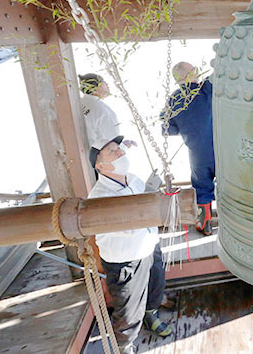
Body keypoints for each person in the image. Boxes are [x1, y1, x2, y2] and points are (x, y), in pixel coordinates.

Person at [88, 135, 173, 354]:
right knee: (127, 314)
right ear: (100, 165)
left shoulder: (133, 179)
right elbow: (127, 225)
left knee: (155, 287)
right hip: (125, 261)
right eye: (112, 151)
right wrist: (147, 194)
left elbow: (149, 207)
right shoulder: (99, 197)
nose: (120, 152)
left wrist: (155, 192)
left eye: (119, 147)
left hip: (149, 245)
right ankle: (123, 348)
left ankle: (151, 313)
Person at [161, 62, 215, 235]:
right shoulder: (206, 88)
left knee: (201, 189)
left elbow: (168, 129)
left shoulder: (173, 99)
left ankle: (204, 225)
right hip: (221, 149)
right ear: (193, 73)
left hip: (197, 154)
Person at [79, 73, 136, 150]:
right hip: (92, 155)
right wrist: (124, 146)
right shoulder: (103, 110)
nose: (107, 84)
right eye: (104, 82)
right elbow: (113, 144)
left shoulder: (79, 102)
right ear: (96, 87)